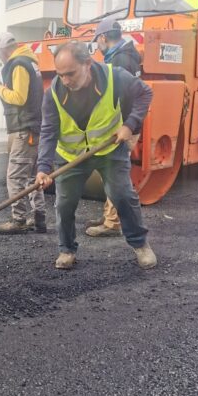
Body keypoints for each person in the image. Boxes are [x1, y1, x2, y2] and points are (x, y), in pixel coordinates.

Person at [35, 42, 157, 270]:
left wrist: (130, 125)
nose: (65, 81)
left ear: (88, 64)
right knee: (64, 204)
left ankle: (140, 245)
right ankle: (66, 249)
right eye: (60, 75)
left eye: (70, 74)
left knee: (122, 195)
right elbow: (49, 131)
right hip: (71, 155)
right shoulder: (53, 93)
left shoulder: (115, 78)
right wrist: (43, 167)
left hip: (109, 149)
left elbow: (144, 93)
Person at [85, 18, 143, 238]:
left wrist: (118, 126)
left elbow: (122, 98)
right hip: (128, 124)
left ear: (103, 38)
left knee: (114, 172)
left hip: (123, 126)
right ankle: (110, 216)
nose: (97, 47)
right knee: (113, 172)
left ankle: (112, 223)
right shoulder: (126, 56)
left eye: (97, 41)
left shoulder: (120, 60)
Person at [0, 32, 46, 234]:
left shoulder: (19, 64)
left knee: (15, 177)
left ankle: (18, 219)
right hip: (32, 127)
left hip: (25, 129)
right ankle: (39, 218)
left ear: (4, 50)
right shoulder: (30, 62)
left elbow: (19, 97)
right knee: (32, 177)